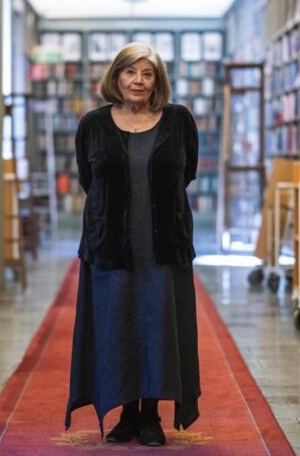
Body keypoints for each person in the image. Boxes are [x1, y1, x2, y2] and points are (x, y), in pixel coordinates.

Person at [65, 42, 201, 447]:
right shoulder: (93, 124)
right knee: (118, 325)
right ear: (116, 76)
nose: (138, 81)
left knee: (158, 326)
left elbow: (186, 173)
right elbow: (89, 179)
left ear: (157, 81)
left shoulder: (179, 120)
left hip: (164, 244)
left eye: (147, 73)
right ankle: (125, 413)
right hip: (110, 245)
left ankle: (150, 416)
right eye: (130, 72)